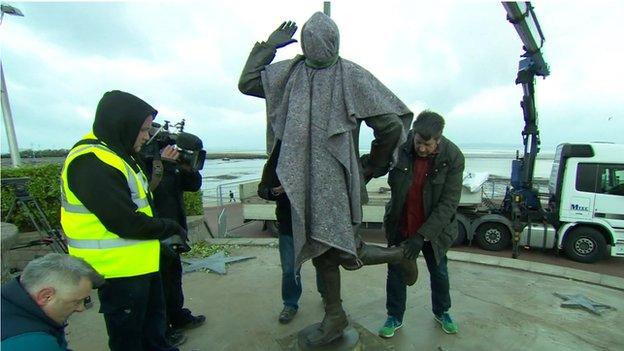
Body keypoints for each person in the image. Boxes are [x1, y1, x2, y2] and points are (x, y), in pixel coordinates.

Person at [239, 13, 417, 346]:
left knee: (345, 251)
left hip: (331, 182)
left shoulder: (326, 74)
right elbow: (391, 127)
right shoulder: (304, 74)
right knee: (322, 249)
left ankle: (397, 257)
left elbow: (391, 126)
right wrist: (370, 166)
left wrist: (368, 168)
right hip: (310, 179)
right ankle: (335, 315)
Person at [60, 90, 188, 351]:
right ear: (123, 125)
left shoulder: (119, 154)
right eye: (142, 130)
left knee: (153, 330)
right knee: (128, 339)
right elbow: (124, 222)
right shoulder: (91, 162)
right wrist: (170, 227)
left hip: (141, 263)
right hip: (118, 272)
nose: (146, 136)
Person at [378, 111, 465, 338]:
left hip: (434, 231)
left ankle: (442, 311)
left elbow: (449, 204)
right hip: (401, 223)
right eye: (418, 142)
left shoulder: (454, 157)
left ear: (438, 139)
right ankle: (394, 316)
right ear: (413, 133)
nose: (422, 148)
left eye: (427, 144)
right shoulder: (401, 147)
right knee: (395, 272)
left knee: (439, 272)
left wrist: (422, 236)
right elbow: (377, 163)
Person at [142, 144, 206, 345]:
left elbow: (193, 185)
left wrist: (188, 166)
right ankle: (163, 329)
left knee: (173, 278)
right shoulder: (144, 163)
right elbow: (151, 192)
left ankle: (178, 316)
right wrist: (164, 165)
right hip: (155, 232)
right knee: (159, 285)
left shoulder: (170, 166)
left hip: (174, 231)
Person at [257, 140, 325, 324]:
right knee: (290, 269)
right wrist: (276, 191)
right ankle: (290, 303)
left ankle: (328, 297)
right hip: (289, 223)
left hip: (319, 221)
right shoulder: (281, 148)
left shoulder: (318, 141)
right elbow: (263, 189)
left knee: (324, 263)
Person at [1, 253, 104, 351]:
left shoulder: (8, 298)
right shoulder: (33, 343)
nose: (81, 308)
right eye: (76, 302)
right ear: (46, 296)